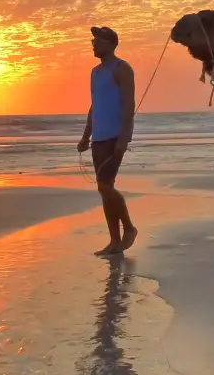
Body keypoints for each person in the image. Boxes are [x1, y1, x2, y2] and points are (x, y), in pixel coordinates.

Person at [77, 26, 138, 256]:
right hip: (99, 137)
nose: (93, 44)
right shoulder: (94, 72)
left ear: (111, 43)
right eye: (93, 40)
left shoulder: (122, 69)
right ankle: (114, 241)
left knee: (105, 185)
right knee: (105, 190)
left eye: (98, 40)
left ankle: (129, 228)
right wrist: (86, 135)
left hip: (115, 136)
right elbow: (94, 106)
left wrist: (124, 136)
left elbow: (129, 104)